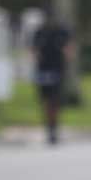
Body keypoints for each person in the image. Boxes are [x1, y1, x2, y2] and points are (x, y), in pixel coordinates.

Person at [31, 9, 74, 145]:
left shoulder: (62, 31)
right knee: (45, 101)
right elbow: (34, 50)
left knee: (54, 100)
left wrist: (66, 64)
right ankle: (49, 127)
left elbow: (68, 49)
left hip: (57, 70)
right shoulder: (40, 32)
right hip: (43, 70)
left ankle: (53, 128)